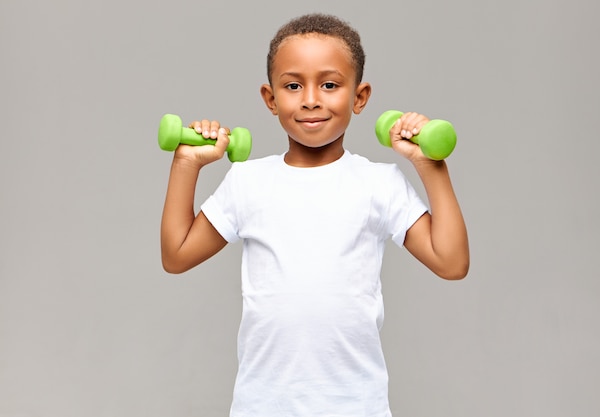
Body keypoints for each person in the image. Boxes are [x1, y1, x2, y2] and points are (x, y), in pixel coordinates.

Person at [160, 13, 469, 417]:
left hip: (356, 406)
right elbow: (176, 255)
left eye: (329, 84)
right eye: (292, 85)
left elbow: (452, 262)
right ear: (271, 99)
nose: (310, 99)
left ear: (359, 97)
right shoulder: (248, 181)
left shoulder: (379, 183)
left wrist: (430, 166)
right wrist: (186, 164)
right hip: (262, 406)